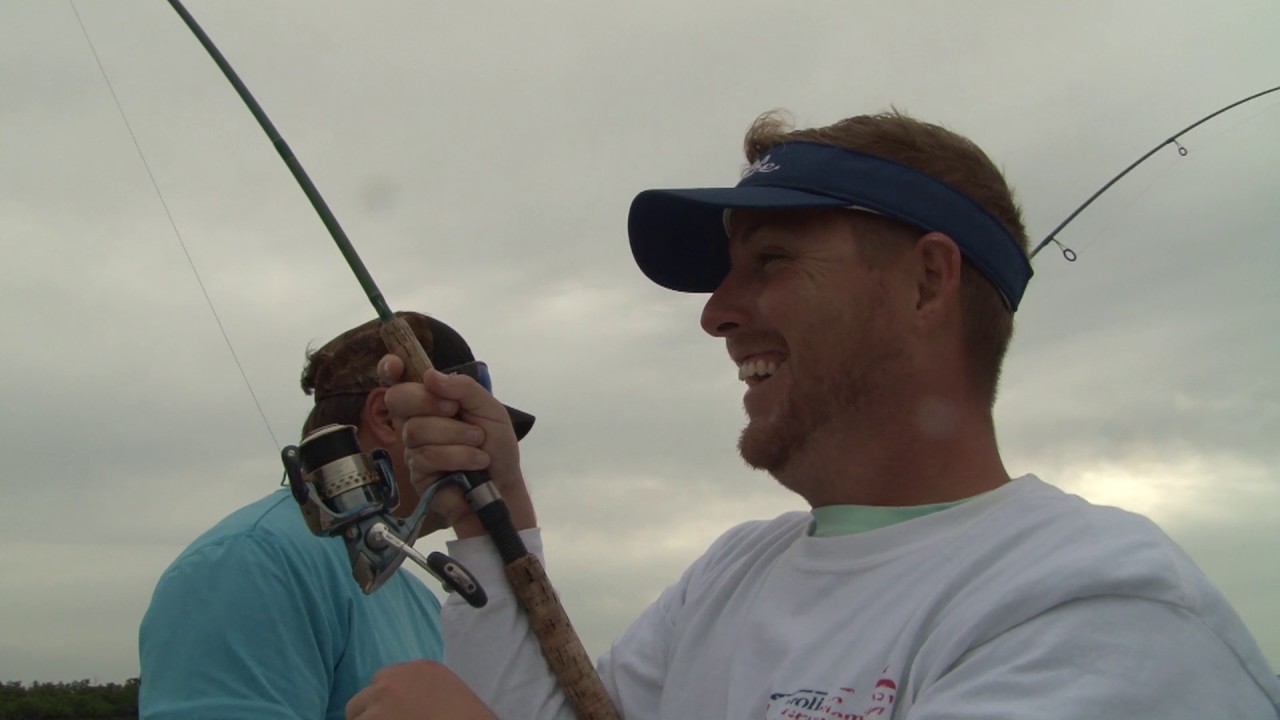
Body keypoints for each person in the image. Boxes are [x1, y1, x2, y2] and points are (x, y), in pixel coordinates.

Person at [349, 112, 1280, 719]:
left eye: (773, 262)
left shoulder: (1097, 607)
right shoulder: (730, 577)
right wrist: (489, 512)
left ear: (926, 283)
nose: (716, 311)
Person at [137, 311, 534, 720]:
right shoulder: (249, 561)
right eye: (465, 427)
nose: (489, 450)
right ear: (385, 417)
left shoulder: (418, 598)